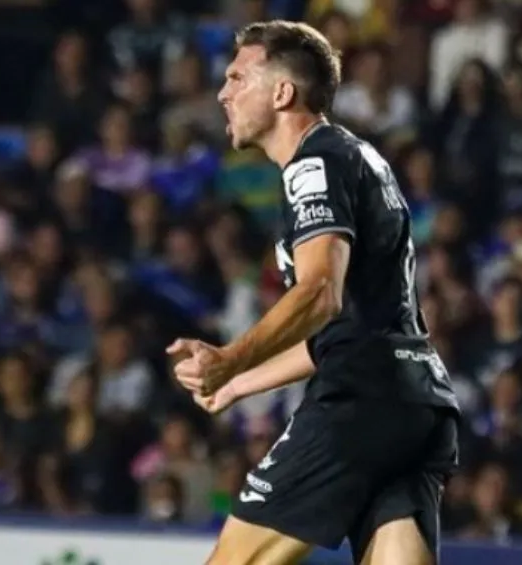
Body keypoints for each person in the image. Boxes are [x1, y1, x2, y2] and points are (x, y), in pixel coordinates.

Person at [166, 20, 460, 565]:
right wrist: (240, 384)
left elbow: (319, 294)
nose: (222, 92)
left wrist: (229, 358)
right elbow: (345, 326)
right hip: (414, 401)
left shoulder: (314, 162)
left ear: (282, 92)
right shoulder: (356, 155)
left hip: (358, 404)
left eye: (237, 77)